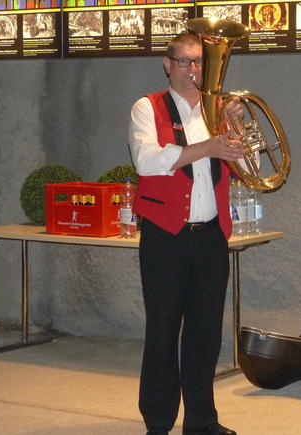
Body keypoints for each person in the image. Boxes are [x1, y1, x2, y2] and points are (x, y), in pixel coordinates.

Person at [128, 32, 244, 435]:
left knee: (205, 333)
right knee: (162, 329)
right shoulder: (147, 107)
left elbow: (242, 164)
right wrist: (209, 146)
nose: (193, 70)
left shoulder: (220, 111)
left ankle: (201, 421)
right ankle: (158, 422)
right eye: (184, 61)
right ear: (167, 64)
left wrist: (237, 132)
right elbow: (147, 161)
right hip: (165, 236)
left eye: (199, 62)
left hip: (211, 236)